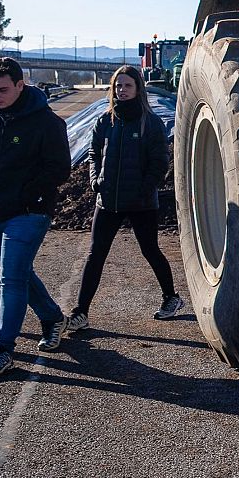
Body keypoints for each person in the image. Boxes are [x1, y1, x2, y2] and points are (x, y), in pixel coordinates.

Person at [0, 56, 70, 377]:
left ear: (19, 85)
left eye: (1, 90)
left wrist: (28, 193)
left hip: (29, 213)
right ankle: (52, 317)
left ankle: (2, 349)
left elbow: (60, 169)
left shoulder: (46, 122)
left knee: (10, 280)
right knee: (19, 273)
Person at [66, 65, 183, 332]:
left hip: (141, 203)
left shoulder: (150, 123)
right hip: (108, 200)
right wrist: (95, 179)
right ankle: (80, 312)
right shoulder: (105, 121)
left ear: (138, 88)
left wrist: (145, 188)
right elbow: (94, 153)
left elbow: (160, 162)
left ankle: (171, 297)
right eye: (118, 85)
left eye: (127, 85)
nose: (122, 90)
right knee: (95, 254)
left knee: (150, 250)